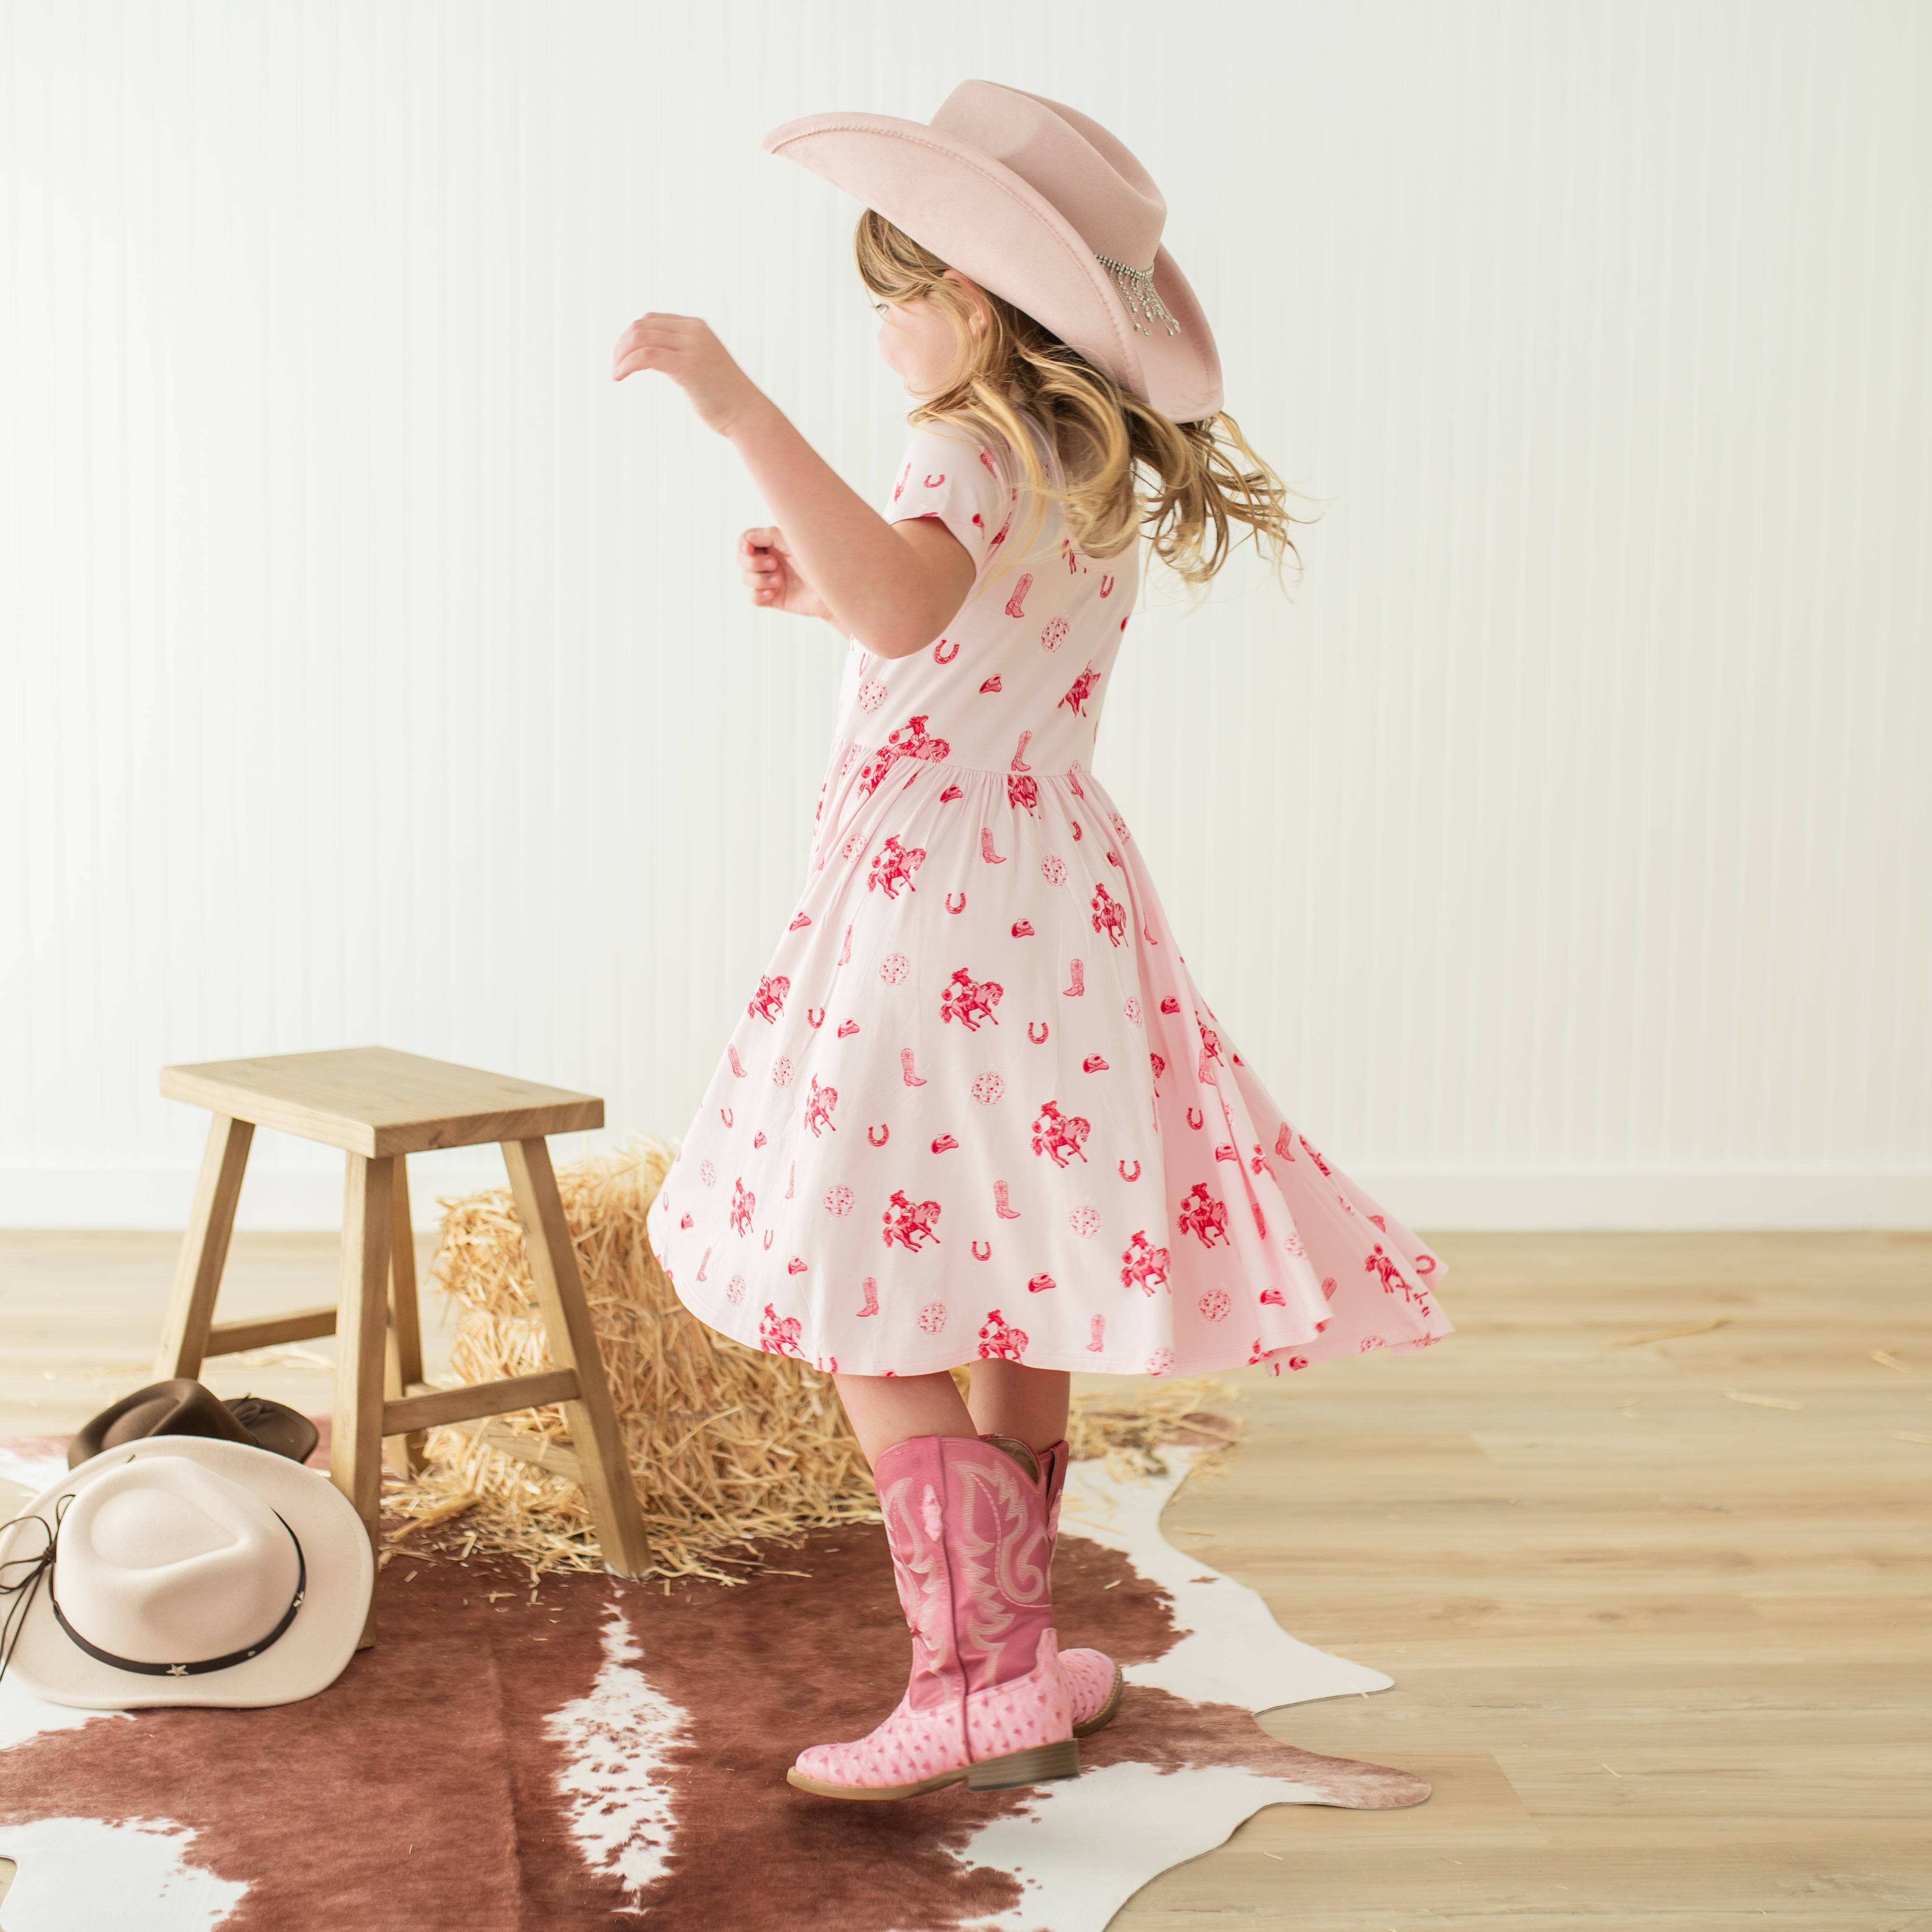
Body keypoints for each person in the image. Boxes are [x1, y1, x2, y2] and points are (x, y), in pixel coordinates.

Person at [619, 81, 1451, 1801]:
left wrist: (737, 406)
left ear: (970, 304)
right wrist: (828, 589)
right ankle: (1018, 1663)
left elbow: (910, 604)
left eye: (892, 299)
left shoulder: (954, 445)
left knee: (863, 1277)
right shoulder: (1079, 456)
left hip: (931, 905)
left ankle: (973, 1678)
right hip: (1053, 894)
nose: (881, 333)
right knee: (1009, 1264)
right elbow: (953, 626)